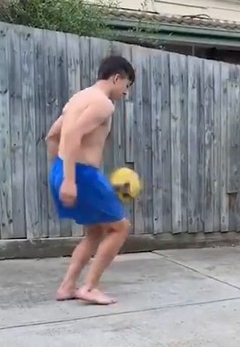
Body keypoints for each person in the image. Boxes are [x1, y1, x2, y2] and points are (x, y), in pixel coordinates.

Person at [45, 55, 135, 305]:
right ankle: (90, 287)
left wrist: (61, 172)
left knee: (95, 231)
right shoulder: (103, 104)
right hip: (83, 175)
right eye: (126, 85)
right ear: (116, 78)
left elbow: (53, 135)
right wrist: (71, 180)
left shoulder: (78, 98)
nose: (126, 93)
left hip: (65, 169)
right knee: (120, 227)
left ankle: (67, 286)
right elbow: (72, 134)